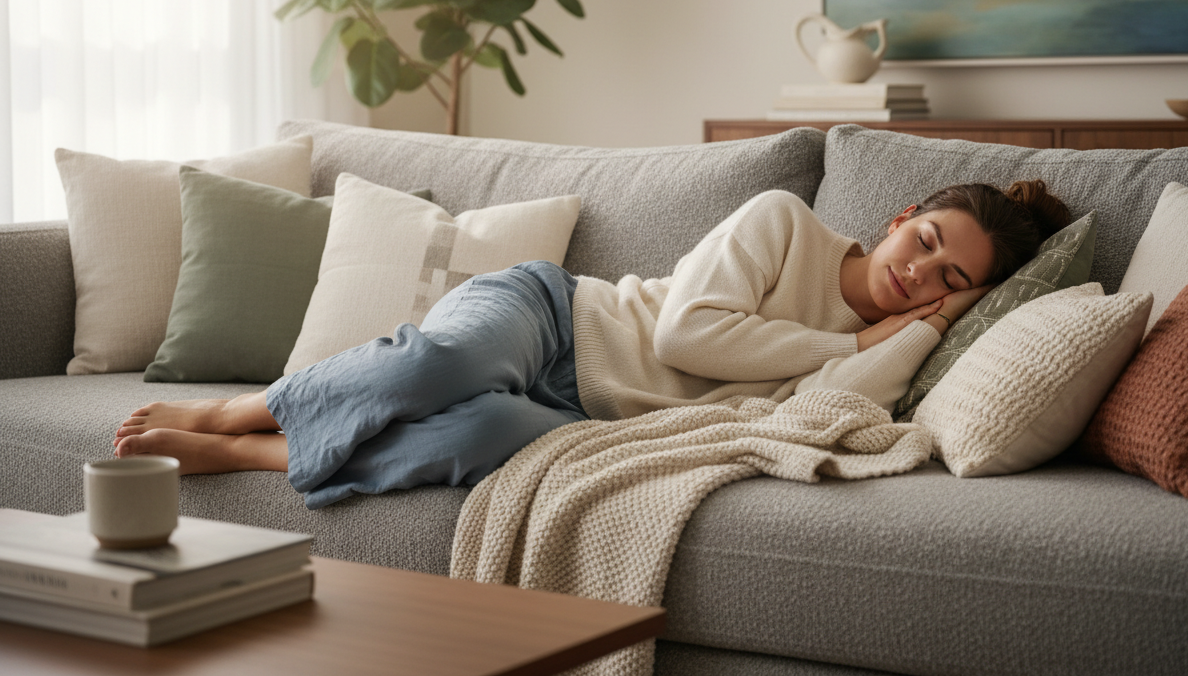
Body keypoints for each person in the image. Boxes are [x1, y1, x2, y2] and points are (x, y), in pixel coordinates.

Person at [113, 181, 1070, 508]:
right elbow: (688, 332)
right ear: (900, 219)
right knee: (445, 364)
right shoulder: (787, 222)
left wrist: (922, 331)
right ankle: (242, 411)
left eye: (951, 280)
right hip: (558, 314)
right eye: (925, 242)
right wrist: (844, 338)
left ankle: (261, 456)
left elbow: (845, 402)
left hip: (590, 416)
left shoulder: (888, 343)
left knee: (481, 439)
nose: (920, 273)